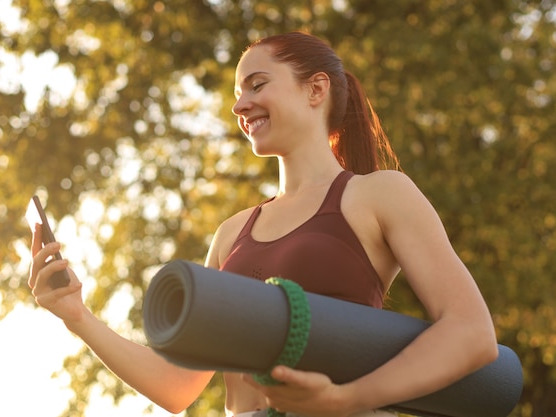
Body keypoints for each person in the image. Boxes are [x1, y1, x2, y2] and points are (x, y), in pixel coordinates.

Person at [29, 31, 499, 417]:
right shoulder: (231, 233)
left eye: (256, 85)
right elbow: (177, 387)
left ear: (316, 89)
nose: (240, 106)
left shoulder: (379, 193)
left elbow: (471, 332)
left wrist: (346, 399)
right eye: (237, 94)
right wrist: (78, 318)